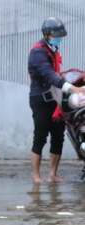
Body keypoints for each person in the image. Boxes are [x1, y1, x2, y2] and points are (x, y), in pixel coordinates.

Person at [28, 17, 85, 183]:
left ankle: (52, 175)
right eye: (56, 35)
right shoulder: (38, 52)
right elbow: (50, 75)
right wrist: (72, 88)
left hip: (55, 99)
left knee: (58, 136)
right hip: (41, 99)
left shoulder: (52, 51)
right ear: (46, 35)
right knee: (40, 136)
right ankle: (36, 176)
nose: (59, 38)